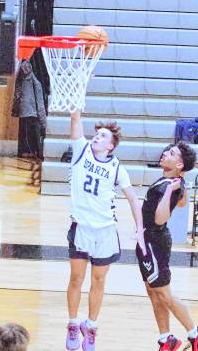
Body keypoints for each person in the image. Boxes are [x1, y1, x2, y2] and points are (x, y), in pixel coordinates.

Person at [66, 110, 146, 351]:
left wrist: (139, 229)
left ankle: (90, 327)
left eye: (103, 136)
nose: (97, 137)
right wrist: (75, 108)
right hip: (81, 227)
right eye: (97, 134)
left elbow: (133, 200)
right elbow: (75, 120)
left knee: (98, 281)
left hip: (106, 232)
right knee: (76, 279)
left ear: (111, 146)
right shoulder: (80, 150)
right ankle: (72, 324)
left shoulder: (117, 168)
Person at [136, 142, 198, 351]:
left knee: (164, 293)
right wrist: (178, 189)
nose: (164, 154)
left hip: (155, 241)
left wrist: (170, 192)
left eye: (171, 153)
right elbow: (183, 202)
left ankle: (195, 335)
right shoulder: (172, 181)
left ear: (179, 164)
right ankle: (166, 338)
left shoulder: (170, 186)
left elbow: (160, 218)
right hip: (148, 240)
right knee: (153, 291)